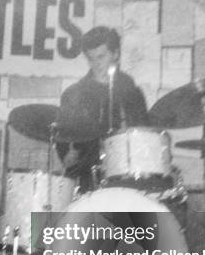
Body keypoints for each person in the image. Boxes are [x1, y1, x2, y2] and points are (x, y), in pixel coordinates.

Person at [56, 26, 149, 192]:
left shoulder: (132, 93)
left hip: (129, 176)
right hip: (87, 179)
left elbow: (144, 137)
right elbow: (61, 139)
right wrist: (67, 155)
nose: (96, 63)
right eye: (91, 58)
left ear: (116, 54)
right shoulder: (74, 95)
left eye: (101, 56)